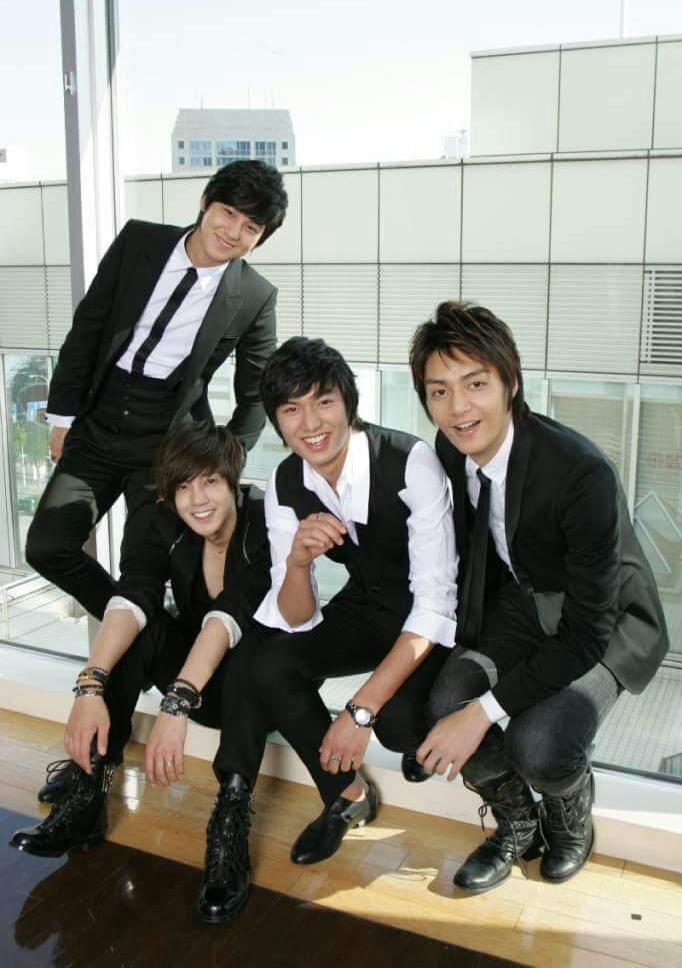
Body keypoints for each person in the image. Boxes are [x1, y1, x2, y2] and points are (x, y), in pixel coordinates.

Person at [408, 300, 669, 893]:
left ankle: (568, 808)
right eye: (440, 391)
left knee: (540, 745)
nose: (458, 407)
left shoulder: (580, 472)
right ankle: (517, 823)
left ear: (512, 383)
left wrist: (484, 712)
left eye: (476, 384)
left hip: (605, 621)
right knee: (444, 704)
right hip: (527, 600)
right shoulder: (450, 449)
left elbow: (585, 634)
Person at [193, 335, 458, 918]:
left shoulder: (409, 462)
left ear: (348, 404)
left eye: (324, 402)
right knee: (265, 661)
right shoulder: (287, 483)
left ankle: (407, 742)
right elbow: (294, 616)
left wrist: (358, 710)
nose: (311, 424)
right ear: (277, 420)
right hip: (368, 606)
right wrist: (296, 563)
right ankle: (346, 794)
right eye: (292, 409)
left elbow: (435, 607)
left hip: (433, 620)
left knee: (397, 721)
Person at [11, 421, 271, 924]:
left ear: (233, 479)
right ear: (168, 492)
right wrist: (90, 685)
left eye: (210, 481)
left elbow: (231, 615)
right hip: (196, 674)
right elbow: (133, 594)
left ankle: (231, 822)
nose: (198, 498)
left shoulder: (264, 518)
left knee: (254, 656)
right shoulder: (159, 520)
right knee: (143, 626)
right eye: (183, 486)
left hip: (255, 688)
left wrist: (176, 703)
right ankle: (89, 792)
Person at [25, 160, 287, 621]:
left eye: (251, 227)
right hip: (97, 425)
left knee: (141, 575)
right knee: (47, 546)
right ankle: (152, 639)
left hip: (169, 446)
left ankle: (143, 638)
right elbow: (88, 329)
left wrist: (224, 461)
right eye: (228, 213)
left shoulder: (255, 295)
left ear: (259, 238)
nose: (233, 232)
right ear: (205, 203)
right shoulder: (138, 241)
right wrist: (63, 418)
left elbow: (256, 393)